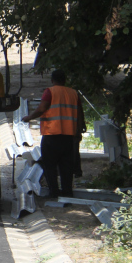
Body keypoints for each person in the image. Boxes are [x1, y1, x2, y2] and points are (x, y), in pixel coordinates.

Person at [23, 69, 85, 199]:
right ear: (65, 80)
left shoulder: (49, 92)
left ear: (52, 80)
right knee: (66, 166)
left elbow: (41, 108)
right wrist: (78, 131)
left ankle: (54, 192)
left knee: (49, 165)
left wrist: (29, 117)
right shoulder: (73, 93)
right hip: (68, 137)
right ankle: (67, 192)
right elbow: (79, 113)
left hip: (51, 135)